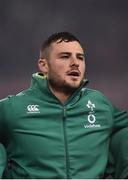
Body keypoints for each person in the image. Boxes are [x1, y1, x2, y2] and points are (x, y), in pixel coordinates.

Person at [0, 32, 128, 179]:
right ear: (44, 65)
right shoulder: (14, 108)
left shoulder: (100, 104)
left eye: (80, 57)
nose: (75, 63)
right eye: (65, 56)